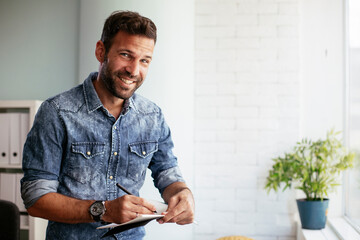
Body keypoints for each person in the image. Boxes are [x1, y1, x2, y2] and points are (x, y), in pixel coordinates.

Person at [21, 10, 195, 240]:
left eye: (144, 60)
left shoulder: (152, 116)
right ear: (101, 51)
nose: (134, 70)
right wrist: (103, 210)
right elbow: (35, 199)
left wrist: (183, 195)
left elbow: (167, 172)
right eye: (126, 55)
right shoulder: (56, 112)